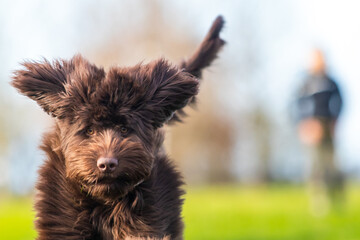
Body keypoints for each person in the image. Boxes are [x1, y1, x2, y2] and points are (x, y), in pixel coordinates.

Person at [296, 49, 344, 214]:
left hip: (328, 124)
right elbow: (298, 104)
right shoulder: (306, 83)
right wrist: (306, 124)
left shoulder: (330, 82)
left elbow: (340, 101)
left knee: (333, 164)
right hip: (312, 126)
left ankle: (337, 199)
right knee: (314, 165)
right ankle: (318, 201)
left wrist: (335, 121)